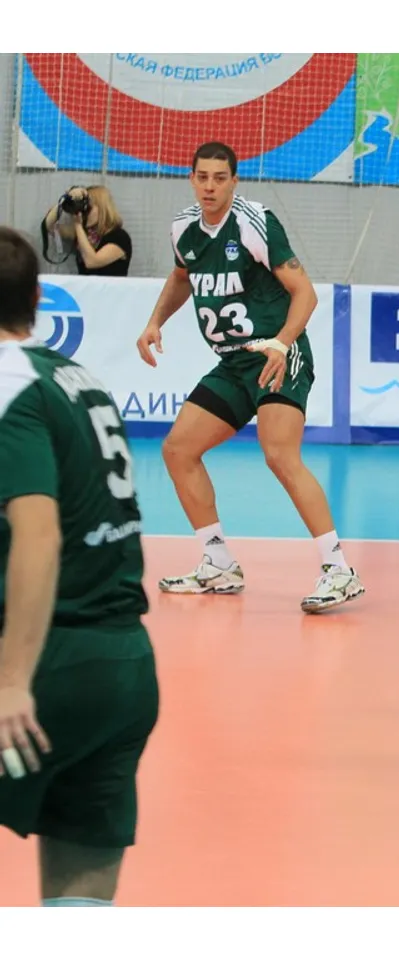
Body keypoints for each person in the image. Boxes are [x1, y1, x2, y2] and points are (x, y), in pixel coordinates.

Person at [135, 141, 364, 613]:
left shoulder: (254, 222)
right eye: (202, 177)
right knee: (178, 449)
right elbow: (181, 277)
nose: (210, 186)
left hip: (277, 354)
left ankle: (339, 570)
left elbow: (305, 293)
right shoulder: (183, 229)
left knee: (279, 454)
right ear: (192, 178)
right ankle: (218, 562)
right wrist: (155, 320)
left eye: (220, 178)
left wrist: (281, 342)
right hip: (233, 363)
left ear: (234, 181)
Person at [0, 226, 159, 905]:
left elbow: (38, 535)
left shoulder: (7, 385)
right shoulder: (78, 378)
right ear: (37, 298)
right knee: (80, 898)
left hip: (45, 670)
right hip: (123, 668)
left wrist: (11, 682)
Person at [40, 185, 132, 277]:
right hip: (86, 286)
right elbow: (49, 226)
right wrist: (66, 199)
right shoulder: (83, 234)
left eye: (89, 208)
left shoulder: (119, 237)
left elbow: (92, 262)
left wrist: (78, 225)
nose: (84, 213)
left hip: (110, 286)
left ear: (103, 209)